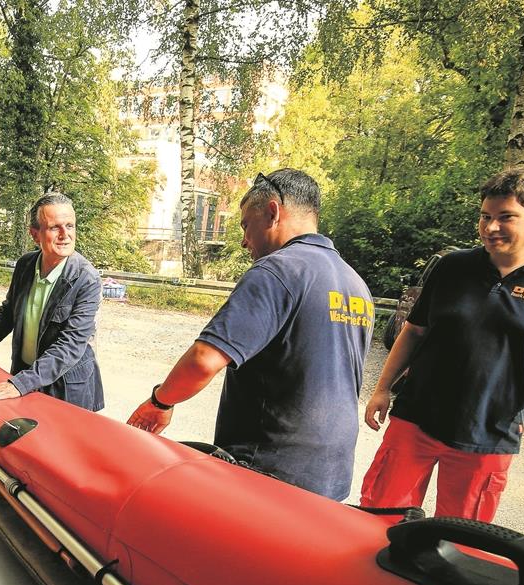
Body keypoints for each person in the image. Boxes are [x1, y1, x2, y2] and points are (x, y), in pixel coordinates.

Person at [127, 169, 374, 501]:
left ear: (272, 213)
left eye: (245, 225)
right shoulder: (356, 284)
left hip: (265, 472)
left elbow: (204, 360)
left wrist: (160, 402)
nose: (244, 240)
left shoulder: (278, 270)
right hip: (329, 476)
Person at [361, 167, 524, 521]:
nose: (490, 228)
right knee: (375, 522)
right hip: (416, 420)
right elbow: (414, 331)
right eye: (485, 216)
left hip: (489, 433)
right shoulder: (453, 267)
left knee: (460, 546)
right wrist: (382, 388)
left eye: (506, 218)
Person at [0, 192, 104, 411]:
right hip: (26, 375)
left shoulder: (86, 279)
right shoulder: (26, 265)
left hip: (66, 390)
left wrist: (21, 383)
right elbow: (9, 311)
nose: (65, 235)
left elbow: (70, 344)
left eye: (70, 226)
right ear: (35, 234)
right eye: (54, 227)